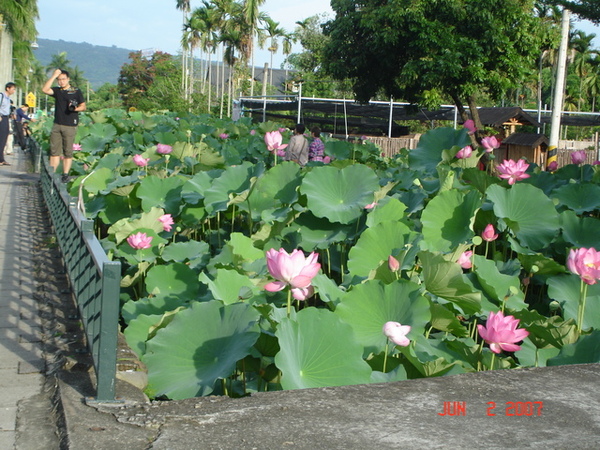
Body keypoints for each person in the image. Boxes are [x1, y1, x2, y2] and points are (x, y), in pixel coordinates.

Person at [42, 69, 86, 182]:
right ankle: (52, 174)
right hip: (57, 124)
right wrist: (53, 75)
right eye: (59, 80)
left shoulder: (76, 91)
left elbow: (83, 106)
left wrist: (75, 109)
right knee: (54, 151)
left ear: (68, 79)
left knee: (68, 151)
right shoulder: (57, 91)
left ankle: (65, 174)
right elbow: (45, 89)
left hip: (70, 125)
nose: (61, 82)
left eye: (63, 79)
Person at [0, 82, 17, 166]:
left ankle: (1, 159)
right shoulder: (1, 96)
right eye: (13, 89)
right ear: (8, 88)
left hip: (6, 118)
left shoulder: (8, 99)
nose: (14, 91)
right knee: (1, 137)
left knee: (4, 138)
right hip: (1, 118)